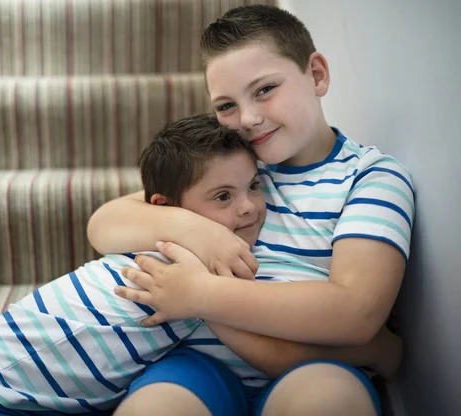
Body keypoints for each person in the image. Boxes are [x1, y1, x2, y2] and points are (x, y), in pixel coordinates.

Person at [0, 115, 399, 416]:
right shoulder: (189, 268)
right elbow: (271, 348)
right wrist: (377, 353)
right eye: (223, 196)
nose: (249, 208)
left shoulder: (181, 248)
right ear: (168, 207)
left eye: (253, 186)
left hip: (21, 383)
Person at [88, 5, 415, 416]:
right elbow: (105, 223)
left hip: (314, 365)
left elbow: (356, 312)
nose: (248, 119)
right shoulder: (234, 166)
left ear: (316, 75)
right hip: (197, 365)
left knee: (329, 402)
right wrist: (194, 229)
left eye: (264, 90)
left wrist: (203, 295)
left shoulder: (370, 177)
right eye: (226, 106)